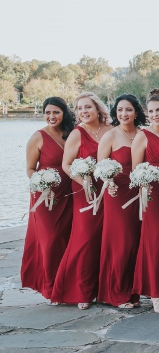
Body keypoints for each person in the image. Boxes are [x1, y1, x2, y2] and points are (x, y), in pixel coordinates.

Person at [51, 92, 113, 309]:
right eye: (79, 108)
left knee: (107, 240)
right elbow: (67, 165)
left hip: (110, 190)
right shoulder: (77, 134)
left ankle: (106, 289)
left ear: (98, 108)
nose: (83, 112)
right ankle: (81, 291)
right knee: (84, 240)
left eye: (88, 107)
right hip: (84, 190)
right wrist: (84, 182)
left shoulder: (111, 131)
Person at [21, 97, 75, 302]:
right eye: (47, 112)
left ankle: (67, 284)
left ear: (64, 113)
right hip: (45, 196)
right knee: (50, 240)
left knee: (68, 237)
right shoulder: (38, 137)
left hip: (69, 193)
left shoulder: (71, 133)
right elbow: (29, 168)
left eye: (56, 112)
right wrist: (42, 184)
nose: (51, 116)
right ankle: (51, 288)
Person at [97, 94, 146, 308]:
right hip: (117, 194)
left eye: (128, 109)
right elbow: (100, 167)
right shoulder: (110, 135)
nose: (123, 114)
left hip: (141, 193)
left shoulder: (143, 134)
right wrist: (109, 182)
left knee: (137, 241)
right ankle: (115, 293)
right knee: (120, 242)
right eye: (119, 110)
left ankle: (134, 291)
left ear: (136, 112)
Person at [132, 89, 159, 313]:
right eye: (151, 111)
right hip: (154, 194)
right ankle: (156, 293)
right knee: (157, 242)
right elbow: (136, 169)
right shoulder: (143, 136)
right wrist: (144, 182)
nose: (155, 114)